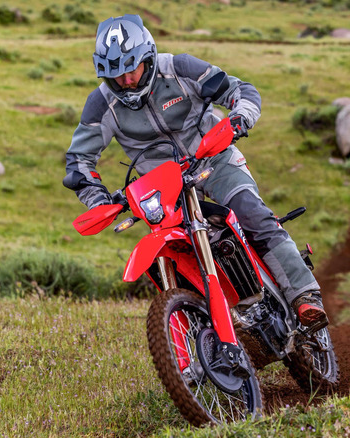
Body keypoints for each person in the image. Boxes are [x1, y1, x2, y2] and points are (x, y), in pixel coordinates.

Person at [62, 14, 328, 327]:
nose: (126, 82)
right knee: (173, 248)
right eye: (116, 77)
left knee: (252, 213)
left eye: (130, 70)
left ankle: (304, 295)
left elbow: (240, 90)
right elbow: (79, 160)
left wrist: (240, 117)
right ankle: (199, 340)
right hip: (162, 187)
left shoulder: (180, 68)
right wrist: (99, 199)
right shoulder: (101, 104)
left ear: (147, 58)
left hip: (214, 160)